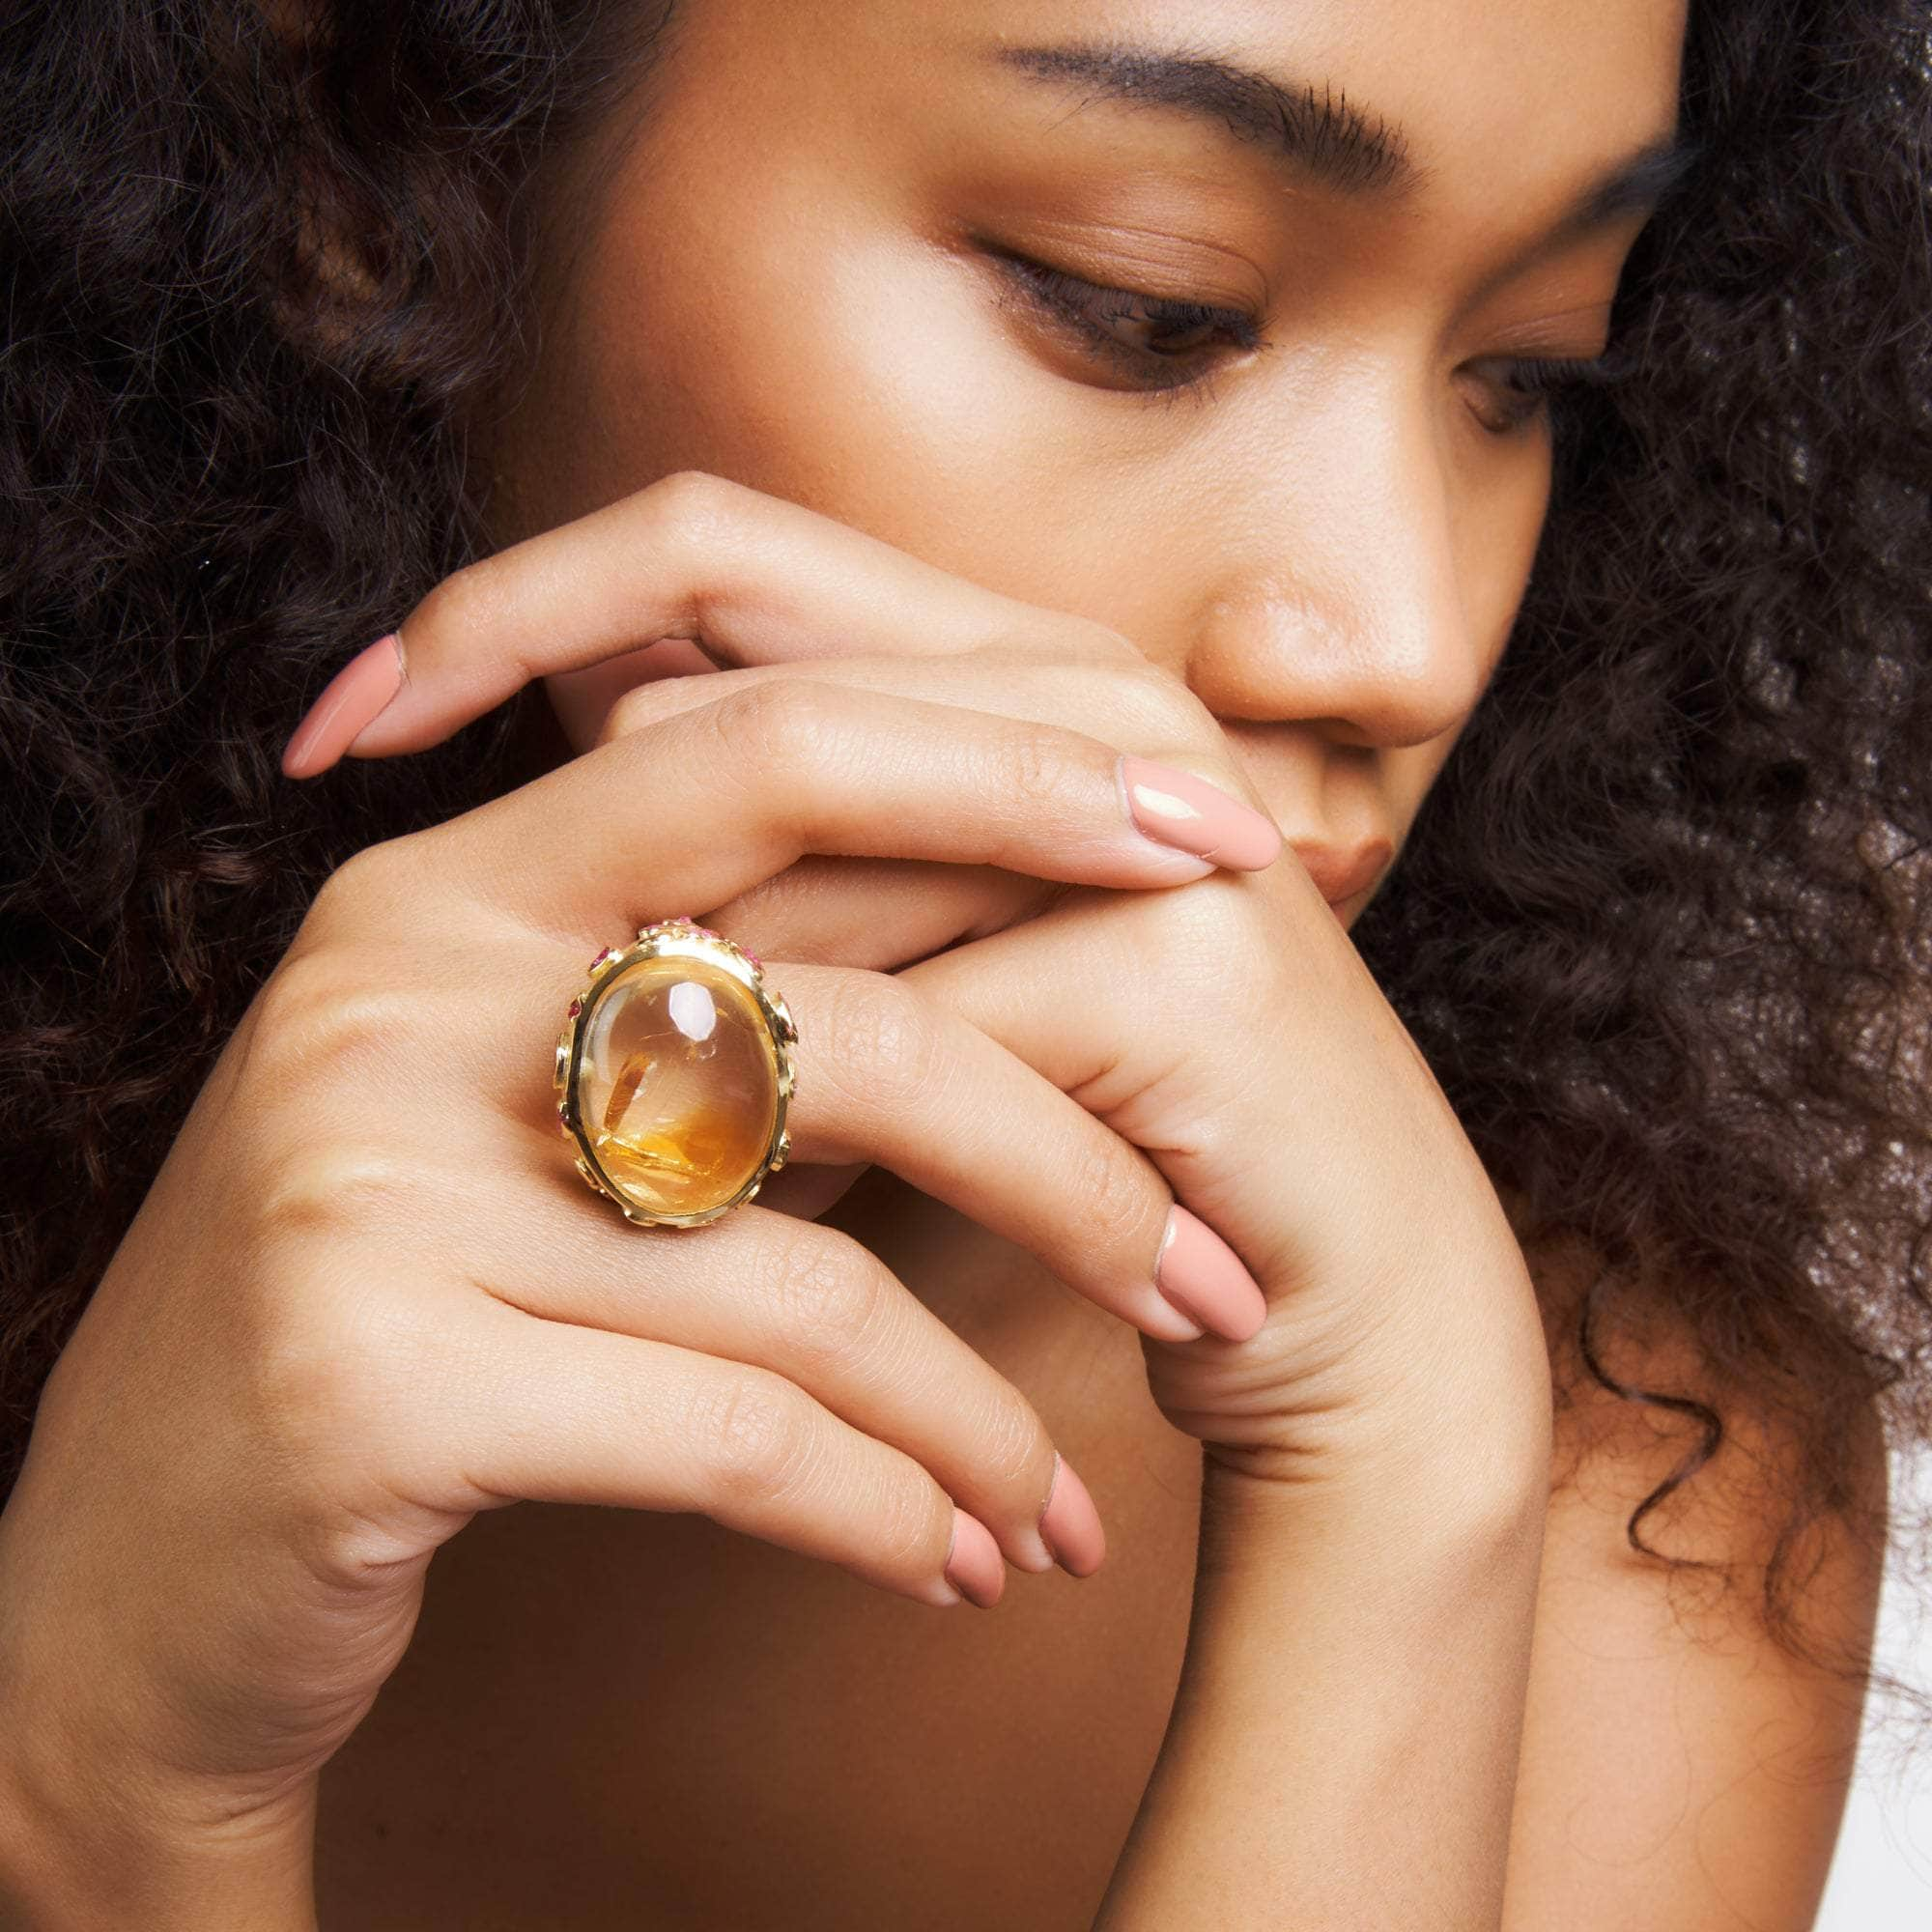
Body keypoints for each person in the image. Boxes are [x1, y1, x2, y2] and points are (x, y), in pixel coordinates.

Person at [1, 0, 1926, 1924]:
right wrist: (92, 1772)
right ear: (380, 150)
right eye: (1146, 306)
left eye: (1526, 376)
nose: (1403, 638)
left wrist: (1404, 1500)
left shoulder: (1634, 1477)